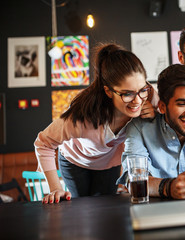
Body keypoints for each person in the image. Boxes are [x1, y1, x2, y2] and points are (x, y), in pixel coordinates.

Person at [34, 43, 156, 204]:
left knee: (107, 207)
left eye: (142, 90)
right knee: (81, 208)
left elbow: (174, 113)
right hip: (75, 161)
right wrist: (56, 188)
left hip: (109, 162)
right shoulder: (83, 116)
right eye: (127, 94)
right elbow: (43, 143)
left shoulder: (150, 97)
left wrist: (156, 114)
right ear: (108, 91)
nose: (137, 101)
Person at [117, 64, 185, 200]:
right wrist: (169, 187)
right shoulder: (139, 128)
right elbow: (132, 180)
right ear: (162, 107)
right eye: (182, 104)